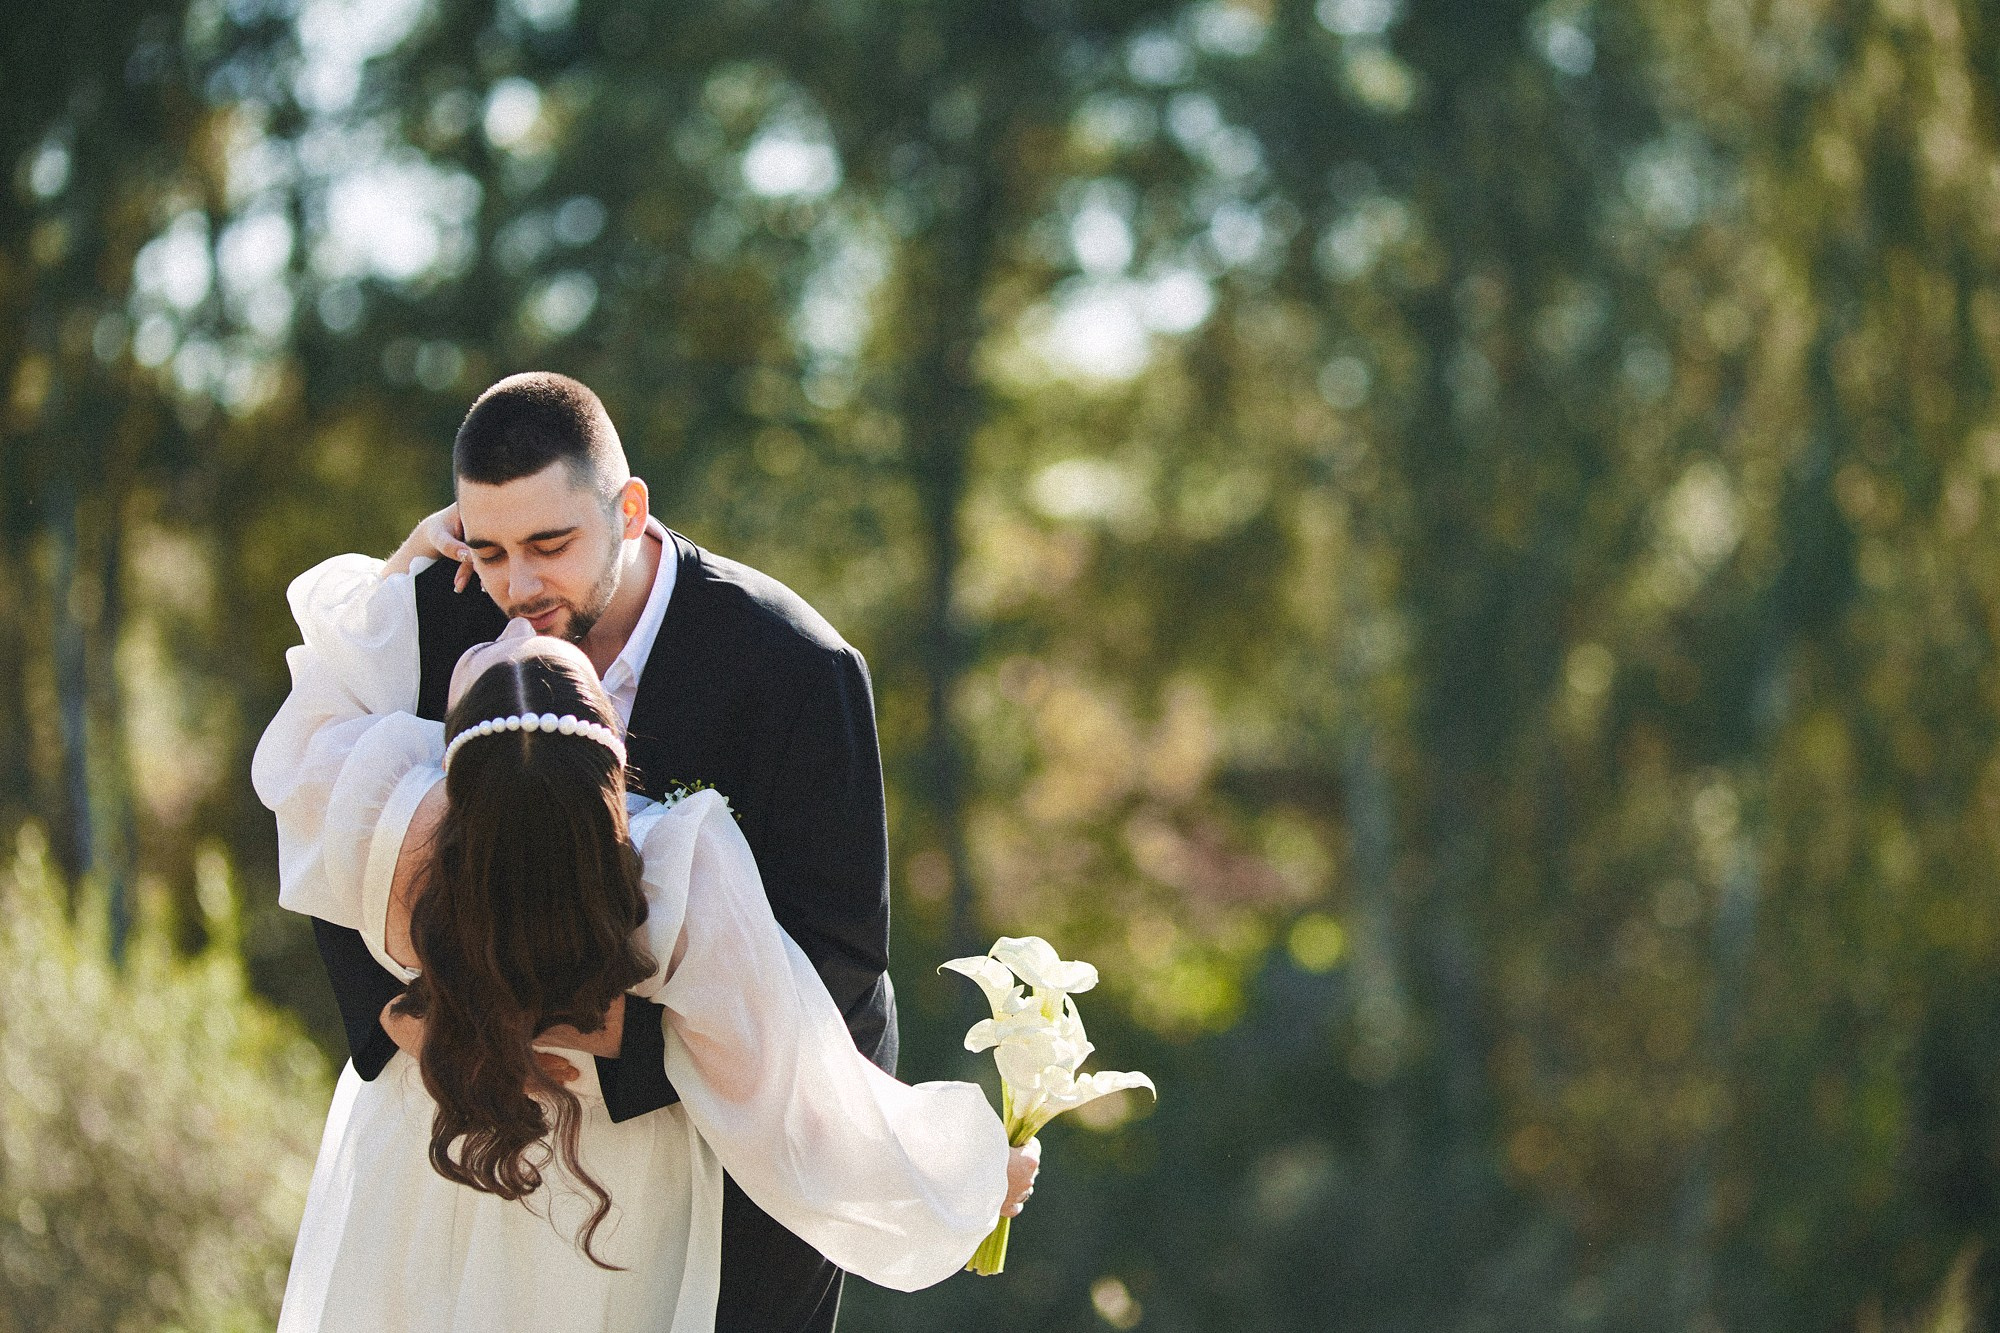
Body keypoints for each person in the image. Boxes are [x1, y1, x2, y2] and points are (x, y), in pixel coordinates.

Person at [255, 372, 905, 1330]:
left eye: (550, 545)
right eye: (490, 548)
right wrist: (429, 1022)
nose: (517, 588)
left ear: (629, 509)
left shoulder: (795, 670)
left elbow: (839, 956)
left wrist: (611, 1055)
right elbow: (340, 836)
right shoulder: (444, 614)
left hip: (720, 1144)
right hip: (468, 1119)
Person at [272, 622, 1033, 1331]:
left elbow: (310, 714)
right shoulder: (676, 879)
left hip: (428, 1152)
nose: (516, 624)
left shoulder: (387, 821)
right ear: (612, 762)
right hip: (608, 1197)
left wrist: (406, 559)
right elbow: (786, 1089)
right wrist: (961, 1182)